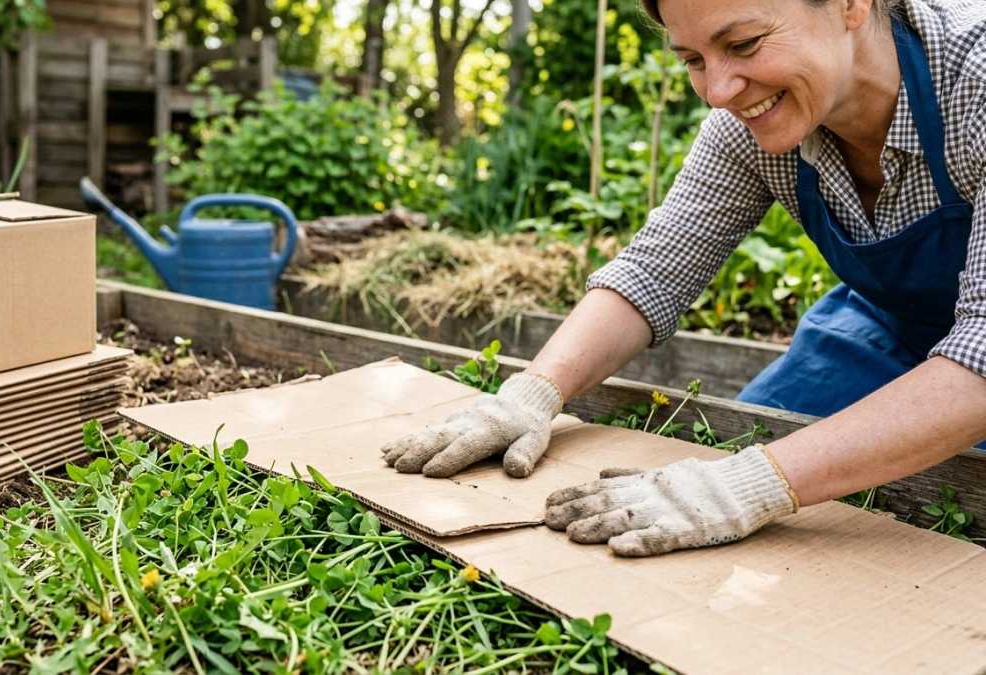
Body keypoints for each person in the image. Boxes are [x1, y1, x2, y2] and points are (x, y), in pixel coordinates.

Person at [382, 0, 986, 556]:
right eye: (694, 59)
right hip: (885, 324)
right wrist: (531, 394)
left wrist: (749, 487)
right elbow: (654, 270)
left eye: (745, 44)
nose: (719, 91)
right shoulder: (755, 122)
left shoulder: (975, 80)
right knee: (731, 445)